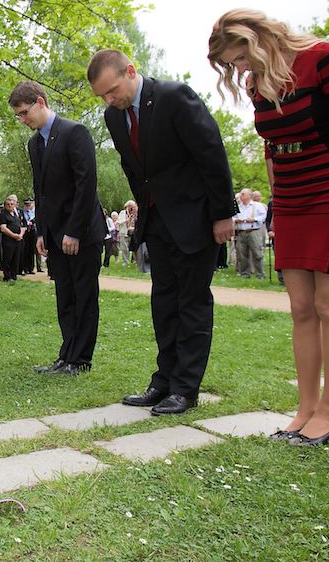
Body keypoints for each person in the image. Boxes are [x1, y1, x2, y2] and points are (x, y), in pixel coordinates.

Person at [209, 8, 329, 445]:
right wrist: (277, 200)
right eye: (231, 64)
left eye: (238, 58)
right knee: (301, 308)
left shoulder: (324, 58)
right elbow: (272, 146)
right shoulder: (257, 84)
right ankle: (305, 408)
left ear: (255, 38)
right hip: (294, 198)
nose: (238, 69)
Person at [89, 49, 236, 414]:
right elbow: (133, 168)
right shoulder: (114, 116)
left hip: (194, 219)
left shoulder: (173, 96)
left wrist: (222, 213)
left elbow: (211, 152)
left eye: (112, 90)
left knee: (192, 303)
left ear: (131, 72)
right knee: (164, 304)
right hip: (156, 222)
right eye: (102, 96)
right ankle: (163, 381)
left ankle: (185, 388)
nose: (109, 100)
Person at [11, 80, 107, 376]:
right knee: (65, 295)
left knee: (83, 294)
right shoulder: (34, 142)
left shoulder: (74, 132)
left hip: (82, 232)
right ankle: (66, 356)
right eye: (18, 116)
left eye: (25, 113)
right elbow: (40, 191)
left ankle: (81, 360)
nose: (23, 120)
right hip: (54, 234)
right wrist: (42, 231)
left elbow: (85, 185)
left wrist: (74, 231)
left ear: (41, 102)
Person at [233, 188, 266, 278]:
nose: (241, 195)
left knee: (257, 253)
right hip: (241, 232)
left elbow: (263, 216)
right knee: (242, 254)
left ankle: (260, 274)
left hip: (254, 231)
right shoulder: (238, 207)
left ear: (249, 195)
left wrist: (254, 219)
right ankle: (245, 273)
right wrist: (236, 220)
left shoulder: (257, 206)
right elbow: (232, 217)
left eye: (243, 194)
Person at [0, 194, 25, 282]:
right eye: (8, 204)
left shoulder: (16, 215)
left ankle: (14, 275)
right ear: (5, 205)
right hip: (8, 240)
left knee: (16, 258)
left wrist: (20, 235)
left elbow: (22, 226)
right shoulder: (3, 215)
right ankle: (7, 276)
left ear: (15, 205)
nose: (10, 205)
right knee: (8, 258)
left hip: (18, 240)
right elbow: (3, 228)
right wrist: (14, 235)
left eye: (12, 204)